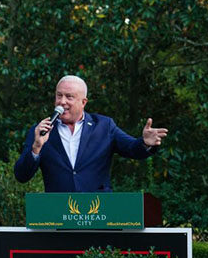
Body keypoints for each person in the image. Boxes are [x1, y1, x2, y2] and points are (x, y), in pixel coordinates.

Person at [14, 75, 168, 192]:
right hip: (59, 217)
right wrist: (36, 148)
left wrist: (145, 142)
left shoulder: (103, 126)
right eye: (59, 95)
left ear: (83, 102)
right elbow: (22, 175)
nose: (62, 102)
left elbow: (132, 148)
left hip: (98, 215)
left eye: (69, 97)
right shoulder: (40, 131)